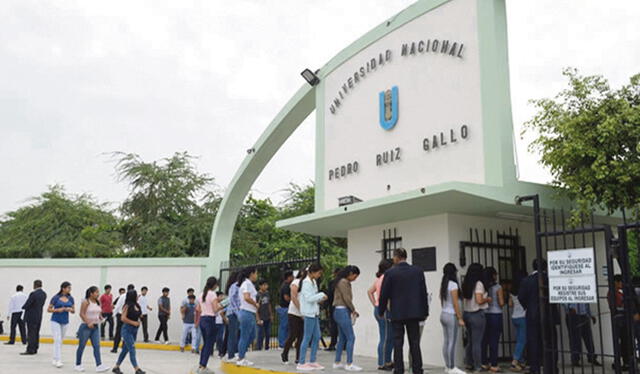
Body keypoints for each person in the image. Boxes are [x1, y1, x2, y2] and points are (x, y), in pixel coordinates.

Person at [378, 248, 429, 374]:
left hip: (397, 313)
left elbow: (384, 294)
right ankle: (417, 369)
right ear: (405, 257)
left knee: (397, 342)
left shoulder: (390, 273)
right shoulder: (418, 271)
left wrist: (381, 310)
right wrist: (425, 311)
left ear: (396, 257)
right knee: (415, 343)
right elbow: (423, 292)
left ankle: (399, 369)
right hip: (414, 313)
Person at [297, 263, 327, 371]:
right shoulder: (306, 283)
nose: (320, 275)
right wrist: (321, 295)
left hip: (314, 313)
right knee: (307, 337)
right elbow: (309, 298)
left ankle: (312, 361)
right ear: (313, 272)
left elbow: (313, 298)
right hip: (309, 314)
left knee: (317, 336)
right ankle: (301, 362)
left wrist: (319, 298)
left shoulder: (313, 282)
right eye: (319, 273)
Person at [333, 265, 362, 371]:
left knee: (342, 338)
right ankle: (349, 363)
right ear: (350, 274)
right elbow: (346, 298)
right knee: (351, 337)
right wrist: (353, 309)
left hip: (338, 311)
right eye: (355, 276)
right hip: (342, 311)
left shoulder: (340, 281)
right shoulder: (344, 282)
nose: (355, 278)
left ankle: (337, 361)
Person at [462, 263, 490, 372]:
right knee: (477, 342)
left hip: (467, 314)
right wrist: (488, 299)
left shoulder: (466, 283)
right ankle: (478, 366)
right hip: (477, 314)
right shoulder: (478, 284)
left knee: (470, 341)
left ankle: (469, 363)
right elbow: (479, 300)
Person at [75, 286, 110, 372]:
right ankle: (78, 364)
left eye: (98, 292)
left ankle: (99, 365)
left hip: (95, 327)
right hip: (85, 327)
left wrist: (101, 318)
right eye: (96, 292)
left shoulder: (97, 302)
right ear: (91, 293)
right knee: (82, 346)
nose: (98, 294)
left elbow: (98, 313)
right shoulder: (86, 302)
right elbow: (81, 314)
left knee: (97, 346)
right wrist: (88, 322)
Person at [367, 259, 394, 371]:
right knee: (387, 337)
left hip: (379, 309)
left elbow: (369, 291)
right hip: (385, 310)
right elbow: (386, 296)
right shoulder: (386, 278)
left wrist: (375, 304)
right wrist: (386, 308)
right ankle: (383, 363)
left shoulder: (379, 279)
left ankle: (385, 361)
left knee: (386, 337)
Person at [439, 263, 465, 374]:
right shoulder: (453, 285)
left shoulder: (444, 284)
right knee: (452, 342)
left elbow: (441, 299)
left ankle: (447, 366)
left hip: (443, 314)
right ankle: (452, 367)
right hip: (451, 315)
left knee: (446, 341)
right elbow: (455, 303)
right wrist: (460, 318)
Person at [112, 290, 146, 374]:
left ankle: (116, 366)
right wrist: (133, 322)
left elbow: (139, 314)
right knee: (132, 349)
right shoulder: (127, 306)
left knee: (125, 350)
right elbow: (123, 318)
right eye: (136, 295)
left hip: (134, 330)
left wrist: (140, 318)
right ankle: (136, 369)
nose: (138, 296)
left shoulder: (137, 305)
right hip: (127, 329)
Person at [197, 276, 222, 374]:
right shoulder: (213, 295)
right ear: (214, 285)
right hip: (210, 319)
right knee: (209, 343)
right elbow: (215, 309)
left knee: (205, 343)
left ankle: (201, 364)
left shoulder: (201, 294)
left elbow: (198, 309)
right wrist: (223, 305)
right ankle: (203, 365)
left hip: (202, 319)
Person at [481, 267, 504, 372]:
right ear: (493, 275)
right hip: (496, 314)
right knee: (494, 340)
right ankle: (494, 364)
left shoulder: (484, 287)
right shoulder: (498, 287)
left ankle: (484, 362)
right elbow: (501, 303)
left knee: (485, 339)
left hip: (485, 314)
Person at [48, 281, 75, 368]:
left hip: (65, 321)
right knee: (57, 339)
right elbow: (49, 309)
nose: (70, 289)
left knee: (60, 340)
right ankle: (58, 360)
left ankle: (55, 358)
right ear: (63, 288)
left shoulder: (71, 298)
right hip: (55, 320)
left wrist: (69, 309)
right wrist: (57, 310)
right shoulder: (56, 297)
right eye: (68, 288)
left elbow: (74, 310)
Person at [282, 268, 306, 365]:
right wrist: (301, 310)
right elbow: (294, 297)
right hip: (294, 312)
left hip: (303, 313)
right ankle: (285, 354)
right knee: (292, 335)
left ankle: (298, 357)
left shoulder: (307, 283)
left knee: (301, 336)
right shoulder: (296, 282)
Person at [564, 302, 600, 367]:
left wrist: (590, 314)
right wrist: (569, 308)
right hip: (573, 315)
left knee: (588, 338)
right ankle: (575, 359)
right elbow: (562, 298)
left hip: (584, 315)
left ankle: (592, 357)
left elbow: (586, 303)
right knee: (575, 339)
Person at [237, 267, 260, 366]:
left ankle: (241, 354)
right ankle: (241, 357)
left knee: (251, 335)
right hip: (247, 312)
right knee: (245, 336)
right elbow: (247, 297)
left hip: (249, 312)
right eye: (256, 273)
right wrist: (255, 304)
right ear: (251, 274)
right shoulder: (247, 284)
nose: (257, 275)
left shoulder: (248, 284)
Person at [608, 274, 631, 370]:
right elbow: (615, 306)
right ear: (616, 282)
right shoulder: (612, 293)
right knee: (622, 341)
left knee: (624, 342)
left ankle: (622, 361)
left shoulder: (619, 292)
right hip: (619, 320)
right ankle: (623, 362)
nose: (622, 284)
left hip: (623, 320)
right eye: (620, 282)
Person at [21, 279, 47, 355]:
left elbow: (28, 304)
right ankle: (35, 348)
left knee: (31, 333)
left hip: (31, 316)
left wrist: (23, 307)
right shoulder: (44, 294)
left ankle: (30, 349)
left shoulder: (33, 294)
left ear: (35, 285)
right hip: (39, 315)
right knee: (36, 332)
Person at [509, 271, 527, 371]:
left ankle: (521, 361)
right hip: (523, 317)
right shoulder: (523, 289)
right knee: (522, 340)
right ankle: (514, 362)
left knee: (520, 339)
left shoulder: (512, 291)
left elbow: (510, 304)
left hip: (514, 317)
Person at [225, 271, 241, 362]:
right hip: (233, 313)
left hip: (235, 313)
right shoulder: (235, 286)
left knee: (235, 334)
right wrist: (238, 313)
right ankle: (231, 354)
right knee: (233, 335)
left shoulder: (236, 286)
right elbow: (232, 301)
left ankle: (235, 352)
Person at [325, 268, 342, 351]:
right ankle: (342, 344)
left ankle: (333, 344)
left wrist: (326, 306)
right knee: (340, 326)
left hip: (333, 306)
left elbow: (329, 295)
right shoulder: (343, 282)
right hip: (339, 306)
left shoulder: (333, 282)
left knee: (334, 326)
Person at [278, 271, 294, 348]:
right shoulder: (286, 286)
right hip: (285, 308)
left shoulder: (286, 285)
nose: (293, 278)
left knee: (287, 326)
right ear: (289, 277)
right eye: (292, 276)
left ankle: (286, 343)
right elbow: (286, 297)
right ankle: (282, 343)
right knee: (284, 326)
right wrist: (293, 300)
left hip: (285, 308)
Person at [256, 279, 273, 350]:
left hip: (267, 316)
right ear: (260, 286)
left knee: (268, 333)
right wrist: (258, 318)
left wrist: (271, 314)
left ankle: (267, 347)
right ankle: (259, 347)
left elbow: (269, 304)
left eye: (266, 285)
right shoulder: (257, 295)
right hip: (261, 316)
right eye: (264, 285)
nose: (266, 286)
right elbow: (256, 307)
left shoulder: (267, 293)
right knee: (260, 334)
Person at [111, 287, 128, 353]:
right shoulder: (131, 296)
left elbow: (116, 306)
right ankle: (124, 347)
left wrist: (114, 314)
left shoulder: (121, 297)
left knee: (118, 332)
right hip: (127, 316)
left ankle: (115, 348)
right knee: (126, 332)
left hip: (120, 315)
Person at [214, 292, 227, 357]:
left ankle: (220, 352)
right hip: (214, 322)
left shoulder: (223, 304)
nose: (222, 298)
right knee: (213, 338)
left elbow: (223, 313)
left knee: (220, 338)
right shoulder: (214, 304)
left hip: (220, 323)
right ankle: (210, 351)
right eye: (221, 296)